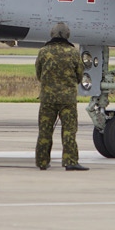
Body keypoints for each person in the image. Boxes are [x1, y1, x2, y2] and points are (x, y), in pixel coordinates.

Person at [35, 22, 88, 171]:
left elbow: (39, 74)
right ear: (67, 35)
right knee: (69, 131)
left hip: (47, 99)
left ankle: (42, 162)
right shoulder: (73, 53)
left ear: (52, 34)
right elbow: (79, 75)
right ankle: (70, 161)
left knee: (45, 130)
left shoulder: (44, 52)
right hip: (67, 100)